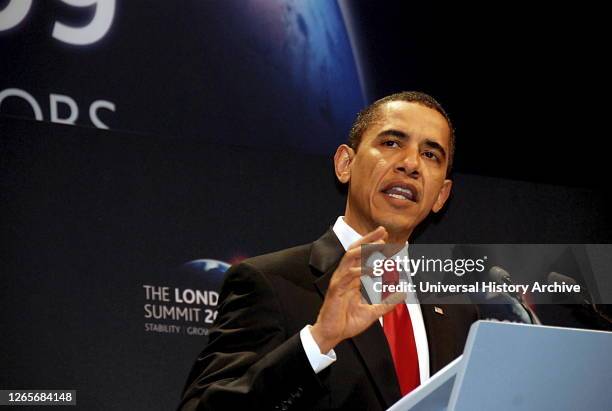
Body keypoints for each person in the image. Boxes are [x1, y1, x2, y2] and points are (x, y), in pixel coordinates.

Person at [179, 91, 478, 410]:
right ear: (345, 164)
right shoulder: (271, 282)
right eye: (391, 143)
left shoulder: (458, 312)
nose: (410, 164)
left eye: (431, 155)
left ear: (441, 196)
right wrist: (318, 341)